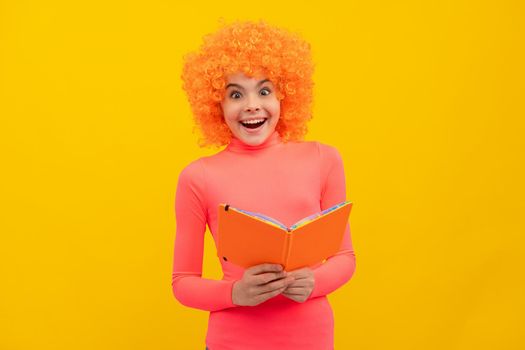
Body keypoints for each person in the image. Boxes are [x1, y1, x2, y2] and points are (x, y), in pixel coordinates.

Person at [172, 20, 356, 350]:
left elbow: (345, 258)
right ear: (217, 105)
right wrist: (234, 293)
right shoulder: (197, 177)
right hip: (234, 339)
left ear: (286, 94)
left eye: (265, 90)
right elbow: (182, 283)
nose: (252, 105)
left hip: (310, 338)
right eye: (235, 94)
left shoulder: (323, 159)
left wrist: (314, 282)